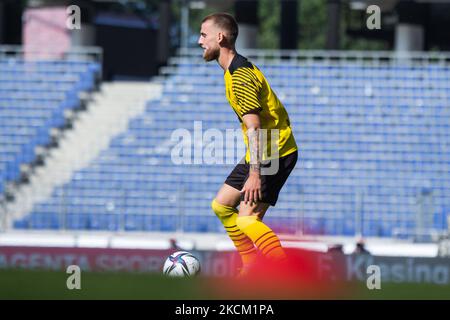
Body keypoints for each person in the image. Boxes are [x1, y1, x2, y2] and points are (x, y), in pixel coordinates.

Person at [197, 13, 298, 276]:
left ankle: (286, 274)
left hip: (274, 150)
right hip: (265, 148)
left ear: (219, 37)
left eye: (203, 35)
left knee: (247, 219)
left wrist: (255, 173)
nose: (199, 41)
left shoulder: (240, 75)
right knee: (221, 205)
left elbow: (255, 126)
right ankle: (251, 262)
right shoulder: (234, 70)